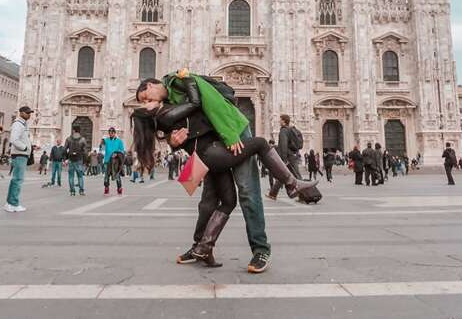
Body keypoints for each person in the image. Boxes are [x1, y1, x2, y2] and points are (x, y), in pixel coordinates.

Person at [131, 81, 316, 269]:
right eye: (143, 103)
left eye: (145, 98)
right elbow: (170, 126)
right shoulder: (164, 104)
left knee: (246, 191)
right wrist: (171, 140)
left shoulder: (178, 81)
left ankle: (260, 249)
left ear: (152, 85)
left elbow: (213, 104)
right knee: (209, 200)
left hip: (231, 130)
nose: (146, 103)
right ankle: (201, 247)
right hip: (208, 148)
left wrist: (229, 134)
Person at [266, 114, 304, 199]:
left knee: (296, 176)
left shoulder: (283, 131)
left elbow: (283, 145)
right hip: (291, 155)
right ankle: (273, 194)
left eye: (280, 119)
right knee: (283, 175)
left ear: (283, 121)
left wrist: (283, 159)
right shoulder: (290, 130)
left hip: (288, 157)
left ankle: (305, 194)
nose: (279, 121)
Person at [4, 106, 33, 213]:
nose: (29, 114)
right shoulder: (18, 124)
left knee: (15, 179)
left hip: (21, 154)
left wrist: (30, 146)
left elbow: (21, 139)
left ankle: (9, 203)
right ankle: (13, 203)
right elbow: (14, 139)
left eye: (30, 113)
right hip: (20, 154)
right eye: (27, 113)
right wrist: (24, 147)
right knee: (18, 180)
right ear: (20, 113)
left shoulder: (23, 124)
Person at [64, 125, 87, 196]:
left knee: (71, 176)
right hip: (79, 159)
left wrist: (66, 158)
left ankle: (72, 191)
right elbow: (85, 151)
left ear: (73, 130)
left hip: (71, 159)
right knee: (80, 176)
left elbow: (64, 149)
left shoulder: (68, 139)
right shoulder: (82, 139)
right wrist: (85, 161)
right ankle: (81, 191)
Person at [102, 127, 125, 195]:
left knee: (117, 175)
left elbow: (122, 150)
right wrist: (101, 143)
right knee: (106, 175)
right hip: (107, 160)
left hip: (115, 161)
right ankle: (106, 187)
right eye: (110, 133)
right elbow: (102, 147)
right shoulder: (106, 140)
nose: (111, 134)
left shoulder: (119, 141)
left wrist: (116, 153)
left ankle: (119, 188)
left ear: (115, 133)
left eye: (112, 133)